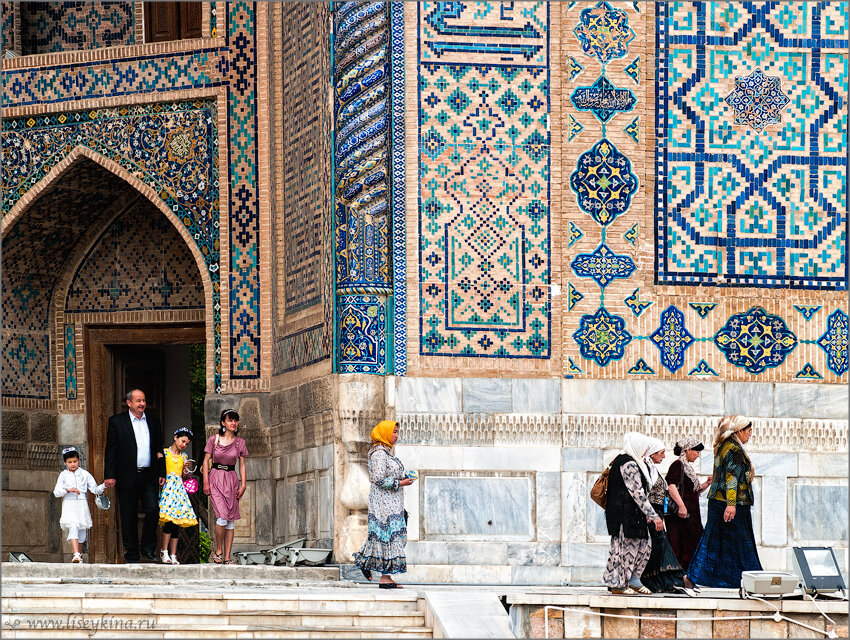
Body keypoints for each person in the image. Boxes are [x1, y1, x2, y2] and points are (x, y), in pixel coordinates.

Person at [689, 416, 762, 588]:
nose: (750, 435)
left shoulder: (723, 447)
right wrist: (731, 504)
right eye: (749, 431)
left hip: (719, 502)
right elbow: (732, 479)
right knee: (740, 543)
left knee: (716, 542)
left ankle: (697, 577)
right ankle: (749, 580)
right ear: (739, 431)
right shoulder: (734, 450)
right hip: (731, 504)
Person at [104, 389, 166, 563]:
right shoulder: (117, 422)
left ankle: (148, 548)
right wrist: (109, 474)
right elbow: (111, 450)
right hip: (126, 475)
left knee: (153, 510)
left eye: (144, 400)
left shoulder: (153, 422)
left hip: (149, 475)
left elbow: (159, 449)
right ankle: (131, 552)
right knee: (128, 514)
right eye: (138, 400)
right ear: (129, 403)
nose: (142, 404)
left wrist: (162, 472)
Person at [353, 420, 415, 589]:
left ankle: (366, 563)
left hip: (393, 503)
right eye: (394, 432)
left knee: (394, 538)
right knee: (388, 538)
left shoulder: (388, 453)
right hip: (383, 505)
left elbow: (388, 474)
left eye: (397, 432)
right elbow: (377, 479)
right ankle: (385, 578)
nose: (396, 435)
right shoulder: (379, 453)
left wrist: (403, 477)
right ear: (385, 433)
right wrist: (400, 483)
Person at [602, 432, 664, 595]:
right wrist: (653, 515)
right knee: (625, 549)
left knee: (644, 546)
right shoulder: (627, 463)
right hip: (625, 515)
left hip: (632, 514)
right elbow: (637, 493)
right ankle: (618, 584)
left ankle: (633, 579)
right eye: (643, 448)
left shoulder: (631, 461)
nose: (645, 451)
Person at [640, 438, 685, 593]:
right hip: (651, 513)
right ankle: (653, 581)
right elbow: (643, 492)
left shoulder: (652, 468)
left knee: (659, 546)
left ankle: (660, 582)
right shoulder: (645, 468)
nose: (664, 456)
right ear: (652, 454)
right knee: (657, 546)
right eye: (661, 453)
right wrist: (649, 514)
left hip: (657, 513)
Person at [665, 436, 712, 588]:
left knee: (691, 545)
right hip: (681, 516)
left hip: (690, 516)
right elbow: (671, 486)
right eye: (696, 451)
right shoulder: (677, 465)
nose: (698, 455)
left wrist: (707, 483)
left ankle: (688, 579)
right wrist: (681, 506)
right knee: (681, 546)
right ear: (688, 450)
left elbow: (694, 492)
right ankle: (680, 580)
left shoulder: (687, 468)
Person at [202, 409, 247, 564]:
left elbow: (242, 464)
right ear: (223, 422)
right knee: (221, 516)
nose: (233, 423)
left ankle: (227, 557)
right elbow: (205, 461)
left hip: (231, 479)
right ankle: (218, 550)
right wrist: (205, 481)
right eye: (230, 420)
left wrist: (243, 484)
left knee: (231, 519)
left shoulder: (240, 442)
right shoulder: (214, 439)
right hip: (215, 477)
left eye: (235, 420)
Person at [53, 447, 107, 563]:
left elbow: (95, 490)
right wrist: (68, 490)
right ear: (65, 463)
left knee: (82, 530)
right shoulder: (63, 475)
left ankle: (79, 555)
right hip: (69, 504)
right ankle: (76, 554)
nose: (73, 464)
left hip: (82, 504)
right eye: (70, 462)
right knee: (73, 525)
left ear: (78, 460)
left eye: (75, 461)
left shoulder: (85, 474)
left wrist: (104, 485)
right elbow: (56, 492)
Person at [159, 427, 199, 564]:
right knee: (169, 521)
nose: (184, 445)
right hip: (167, 489)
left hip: (178, 490)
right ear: (175, 437)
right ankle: (164, 551)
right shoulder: (164, 453)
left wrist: (185, 468)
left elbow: (183, 476)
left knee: (177, 523)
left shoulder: (184, 456)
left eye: (186, 443)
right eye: (183, 441)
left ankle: (173, 554)